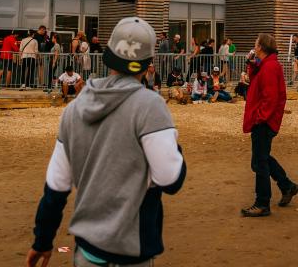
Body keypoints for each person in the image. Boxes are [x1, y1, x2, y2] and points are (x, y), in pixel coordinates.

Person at [26, 17, 186, 267]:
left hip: (88, 248)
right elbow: (170, 179)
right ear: (147, 64)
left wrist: (42, 241)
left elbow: (56, 187)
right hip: (132, 249)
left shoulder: (74, 110)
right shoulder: (149, 106)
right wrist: (173, 145)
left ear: (108, 55)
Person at [241, 33, 298, 217]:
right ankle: (287, 185)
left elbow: (271, 97)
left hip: (264, 120)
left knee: (260, 162)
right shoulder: (266, 64)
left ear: (262, 47)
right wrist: (250, 63)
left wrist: (260, 117)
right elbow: (254, 78)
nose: (254, 47)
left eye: (256, 44)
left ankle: (262, 202)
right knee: (262, 158)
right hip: (264, 119)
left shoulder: (270, 67)